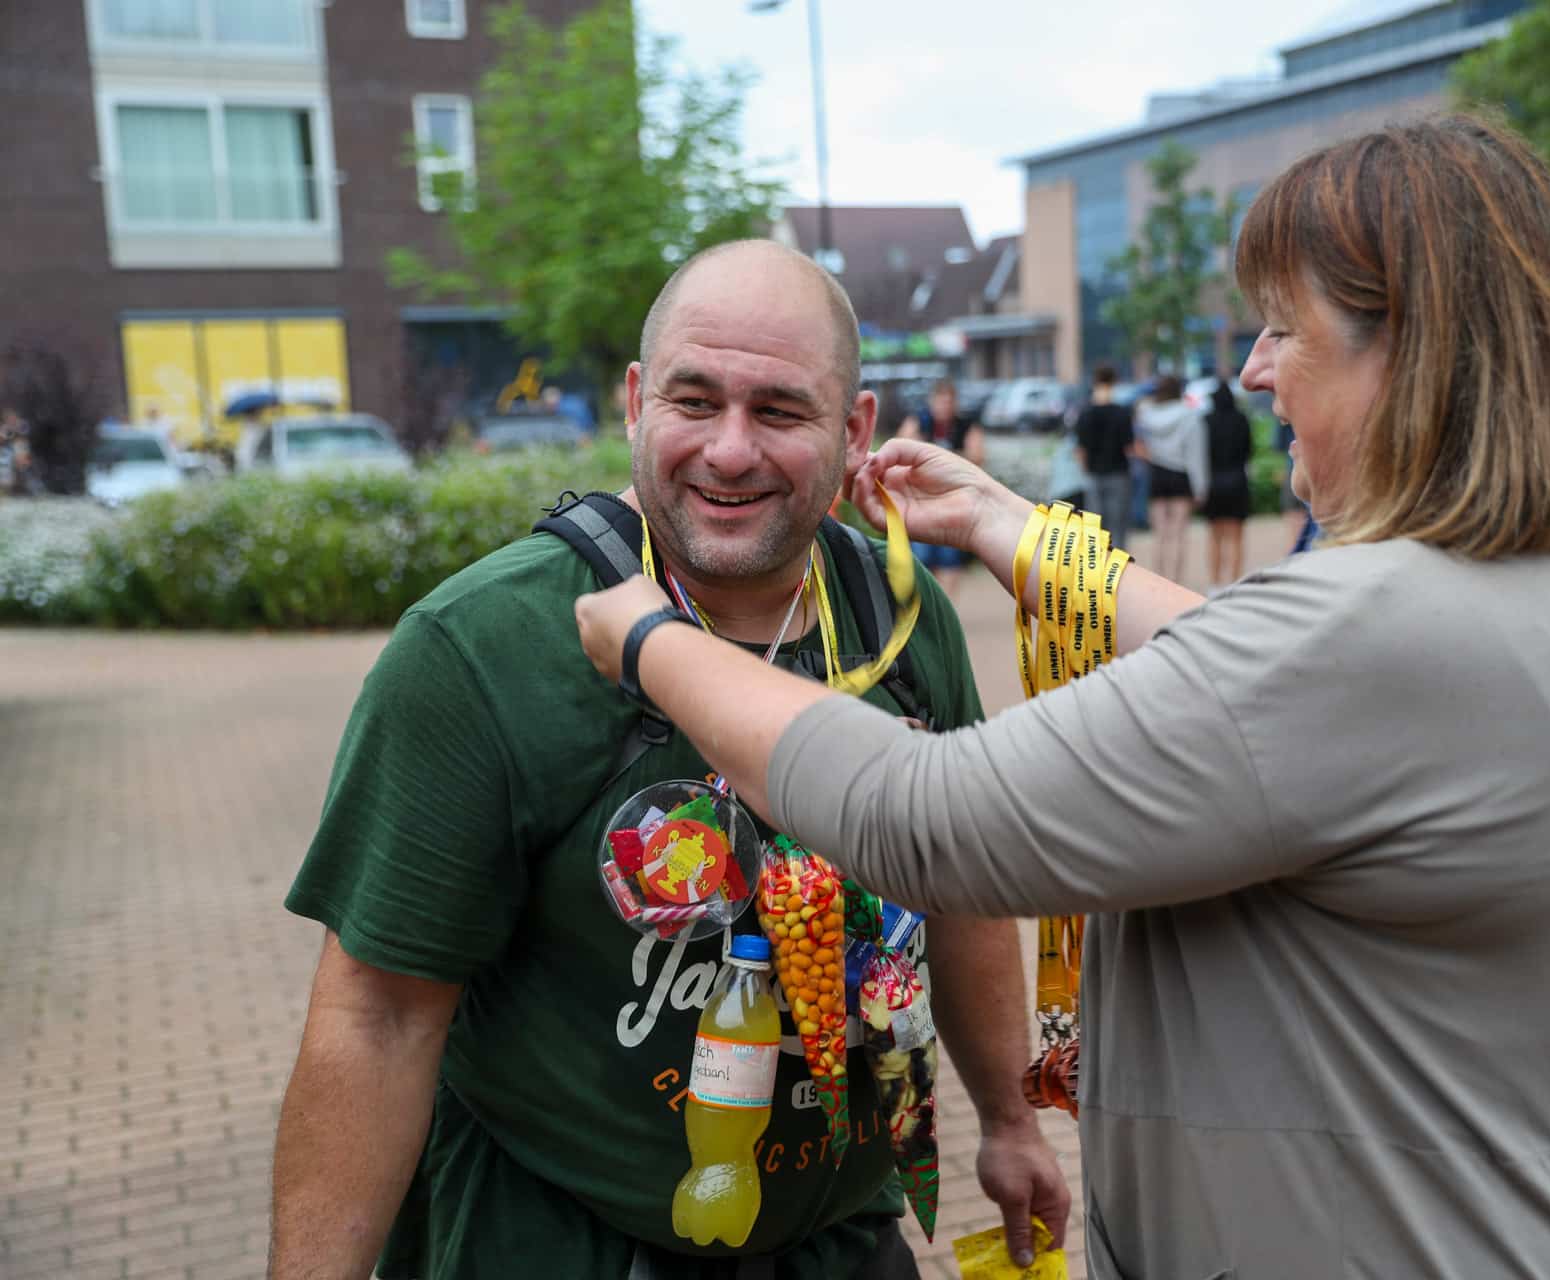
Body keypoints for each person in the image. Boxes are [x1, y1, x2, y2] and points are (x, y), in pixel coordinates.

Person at [576, 117, 1550, 1278]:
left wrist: (648, 637)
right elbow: (1250, 674)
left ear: (1411, 357)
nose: (1252, 369)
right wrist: (1000, 521)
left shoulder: (1380, 632)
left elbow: (924, 817)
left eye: (1285, 328)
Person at [271, 240, 1069, 1280]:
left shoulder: (901, 618)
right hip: (558, 1240)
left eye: (779, 411)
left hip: (841, 1240)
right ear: (636, 403)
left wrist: (1008, 1117)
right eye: (694, 401)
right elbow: (376, 1017)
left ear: (855, 430)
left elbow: (960, 896)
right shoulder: (482, 646)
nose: (730, 451)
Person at [895, 379, 984, 590]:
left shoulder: (965, 425)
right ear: (932, 401)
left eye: (949, 401)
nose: (944, 406)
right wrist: (952, 458)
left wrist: (929, 456)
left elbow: (978, 455)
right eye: (941, 401)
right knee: (921, 558)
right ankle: (927, 603)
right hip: (921, 501)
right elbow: (901, 446)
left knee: (949, 559)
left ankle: (945, 604)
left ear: (955, 403)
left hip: (953, 502)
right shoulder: (919, 420)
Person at [1130, 374, 1208, 585]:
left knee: (1160, 535)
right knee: (1178, 535)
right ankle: (1175, 582)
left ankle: (1160, 581)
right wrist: (1200, 487)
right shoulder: (1189, 416)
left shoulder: (1146, 414)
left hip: (1156, 474)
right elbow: (1195, 454)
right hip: (1181, 475)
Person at [1072, 364, 1135, 550]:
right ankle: (1119, 563)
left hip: (1093, 474)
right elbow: (1129, 447)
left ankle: (1097, 563)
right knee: (1118, 526)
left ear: (1094, 381)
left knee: (1094, 528)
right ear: (1114, 382)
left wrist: (1086, 470)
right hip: (1119, 473)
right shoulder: (1122, 413)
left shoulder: (1085, 412)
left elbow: (1080, 450)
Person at [1199, 380, 1252, 587]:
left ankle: (1215, 583)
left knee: (1215, 536)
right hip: (1237, 481)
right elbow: (1249, 451)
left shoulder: (1206, 421)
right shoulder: (1241, 420)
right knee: (1236, 536)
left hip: (1213, 483)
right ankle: (1234, 582)